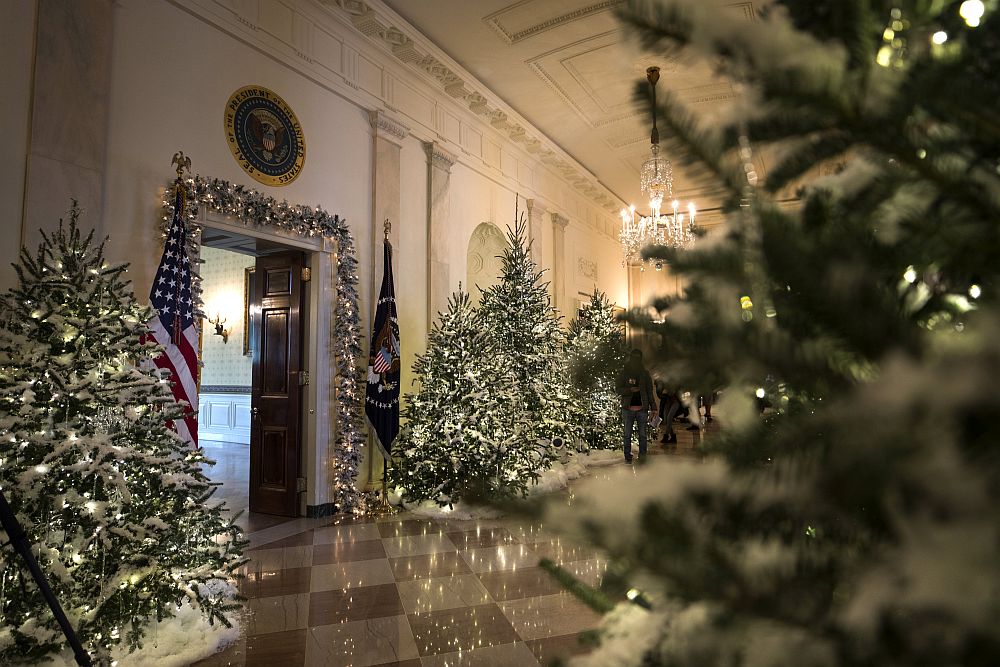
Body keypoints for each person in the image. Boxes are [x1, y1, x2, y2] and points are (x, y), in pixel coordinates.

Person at [617, 349, 654, 463]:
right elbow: (618, 389)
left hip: (642, 408)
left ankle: (642, 456)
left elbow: (649, 391)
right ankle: (627, 456)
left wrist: (654, 407)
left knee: (642, 435)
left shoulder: (644, 374)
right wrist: (629, 390)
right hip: (628, 409)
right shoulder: (624, 373)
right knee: (627, 434)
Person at [656, 380, 681, 445]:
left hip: (675, 401)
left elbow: (675, 391)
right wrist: (663, 393)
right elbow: (659, 394)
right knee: (666, 420)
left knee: (669, 418)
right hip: (667, 402)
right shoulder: (660, 382)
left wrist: (667, 392)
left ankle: (666, 436)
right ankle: (673, 436)